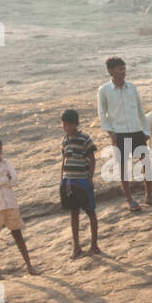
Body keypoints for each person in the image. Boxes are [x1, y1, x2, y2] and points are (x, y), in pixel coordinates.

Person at [97, 56, 152, 210]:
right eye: (120, 69)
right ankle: (130, 200)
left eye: (124, 68)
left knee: (146, 163)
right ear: (111, 71)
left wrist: (146, 131)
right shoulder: (104, 91)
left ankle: (149, 196)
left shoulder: (132, 87)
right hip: (119, 133)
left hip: (136, 131)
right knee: (123, 168)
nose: (123, 72)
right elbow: (102, 114)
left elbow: (140, 111)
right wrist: (111, 134)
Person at [0, 137, 38, 280]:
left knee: (17, 234)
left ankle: (29, 265)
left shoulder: (6, 162)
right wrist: (5, 179)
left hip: (10, 203)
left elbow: (15, 180)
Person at [59, 109, 100, 259]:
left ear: (76, 124)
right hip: (68, 181)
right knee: (73, 213)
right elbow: (64, 160)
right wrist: (62, 178)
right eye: (65, 125)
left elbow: (92, 159)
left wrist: (89, 179)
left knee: (90, 211)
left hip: (82, 181)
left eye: (70, 125)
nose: (68, 128)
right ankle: (76, 246)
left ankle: (94, 245)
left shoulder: (85, 139)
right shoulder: (65, 140)